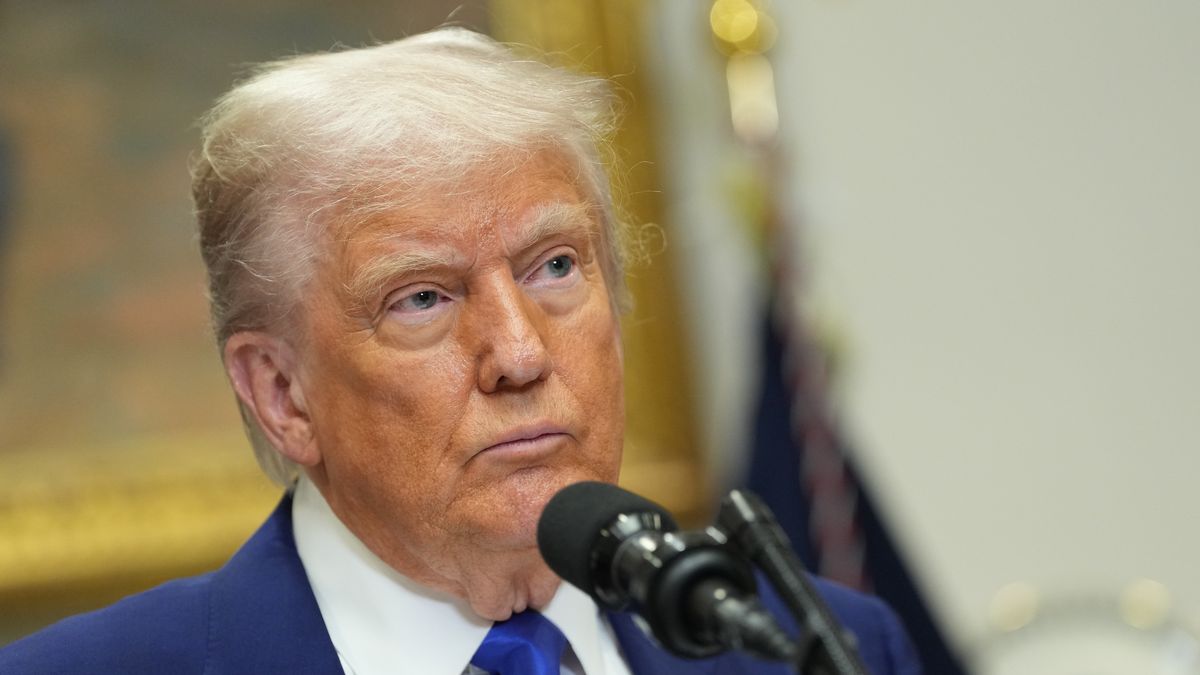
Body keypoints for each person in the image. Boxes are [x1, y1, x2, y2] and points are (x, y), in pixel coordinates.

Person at [0, 28, 921, 674]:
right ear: (281, 392)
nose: (519, 353)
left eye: (556, 265)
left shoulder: (819, 647)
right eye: (424, 299)